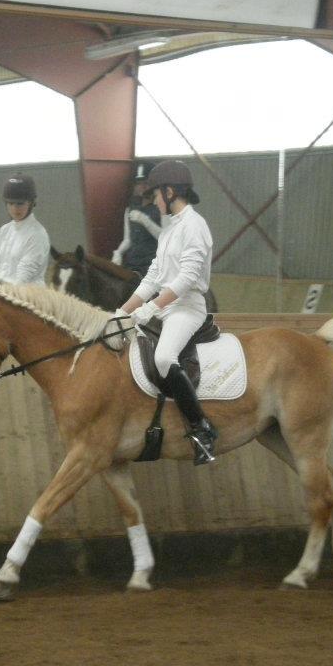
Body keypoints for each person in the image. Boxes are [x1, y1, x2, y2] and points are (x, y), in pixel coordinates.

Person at [117, 160, 217, 465]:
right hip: (166, 308)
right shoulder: (170, 230)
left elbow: (186, 279)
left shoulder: (194, 225)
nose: (154, 201)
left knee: (163, 358)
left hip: (187, 308)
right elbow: (152, 278)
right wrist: (122, 312)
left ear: (170, 191)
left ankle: (203, 429)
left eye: (156, 195)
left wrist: (152, 308)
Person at [0, 173, 51, 286]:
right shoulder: (4, 230)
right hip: (5, 293)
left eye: (20, 203)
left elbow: (25, 274)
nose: (15, 208)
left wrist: (3, 296)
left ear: (31, 203)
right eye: (11, 203)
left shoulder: (37, 234)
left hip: (28, 296)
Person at [111, 161, 162, 277]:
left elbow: (166, 238)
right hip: (132, 263)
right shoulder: (130, 209)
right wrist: (118, 252)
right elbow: (128, 239)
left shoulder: (162, 209)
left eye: (146, 183)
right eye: (139, 183)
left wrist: (145, 221)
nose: (142, 186)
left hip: (153, 265)